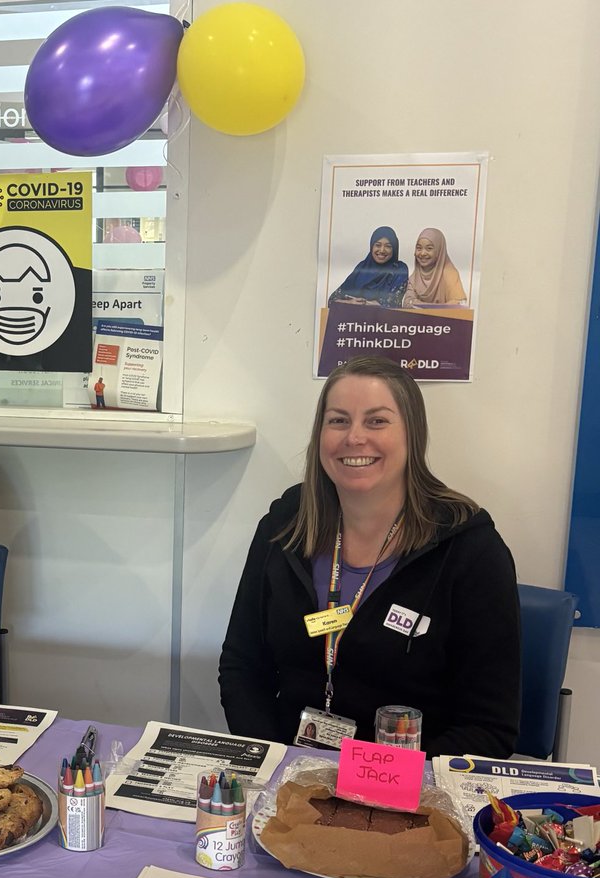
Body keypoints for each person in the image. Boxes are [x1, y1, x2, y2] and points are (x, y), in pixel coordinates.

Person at [217, 355, 520, 758]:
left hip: (411, 788)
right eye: (339, 420)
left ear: (413, 433)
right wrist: (273, 763)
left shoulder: (470, 551)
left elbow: (489, 727)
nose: (354, 438)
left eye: (376, 421)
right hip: (289, 776)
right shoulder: (284, 526)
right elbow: (242, 666)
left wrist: (379, 782)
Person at [327, 226, 408, 308]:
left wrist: (366, 304)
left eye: (388, 246)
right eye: (378, 245)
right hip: (355, 319)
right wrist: (350, 303)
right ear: (371, 246)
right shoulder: (362, 268)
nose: (382, 250)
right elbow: (332, 300)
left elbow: (394, 304)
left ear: (394, 248)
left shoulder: (400, 269)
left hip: (386, 320)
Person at [401, 227, 467, 307]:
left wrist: (420, 305)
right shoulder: (415, 277)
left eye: (429, 249)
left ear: (439, 251)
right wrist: (438, 307)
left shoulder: (449, 273)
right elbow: (408, 302)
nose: (422, 253)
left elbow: (458, 304)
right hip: (418, 319)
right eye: (419, 248)